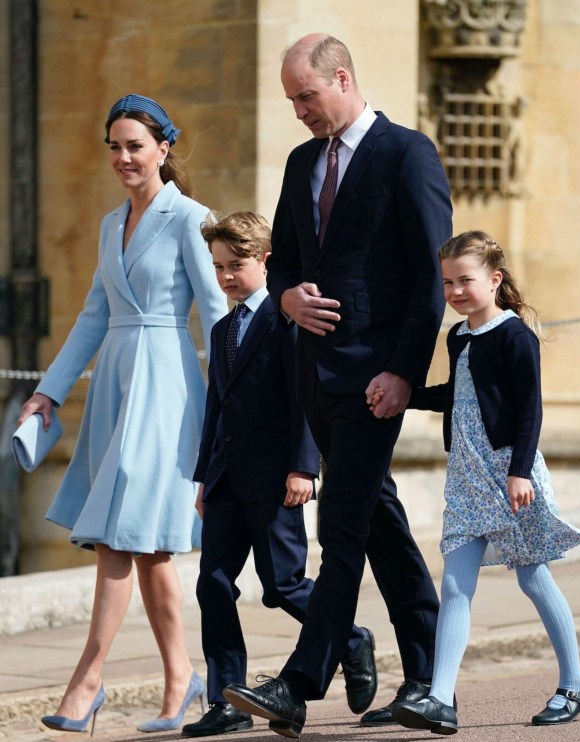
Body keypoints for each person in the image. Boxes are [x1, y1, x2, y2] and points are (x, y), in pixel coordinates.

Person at [222, 34, 453, 738]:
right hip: (314, 380)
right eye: (290, 99)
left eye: (306, 97)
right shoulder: (299, 164)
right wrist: (286, 298)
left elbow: (429, 277)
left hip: (376, 382)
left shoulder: (406, 154)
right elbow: (285, 262)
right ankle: (428, 676)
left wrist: (403, 372)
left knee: (343, 524)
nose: (297, 111)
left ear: (343, 79)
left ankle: (298, 683)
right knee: (376, 518)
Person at [18, 94, 228, 735]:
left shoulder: (193, 218)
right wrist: (48, 394)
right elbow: (93, 316)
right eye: (114, 146)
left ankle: (85, 683)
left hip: (166, 387)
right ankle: (180, 678)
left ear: (164, 148)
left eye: (135, 145)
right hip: (114, 383)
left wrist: (233, 403)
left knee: (118, 536)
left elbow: (217, 313)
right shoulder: (112, 225)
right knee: (149, 549)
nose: (123, 157)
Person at [181, 211, 378, 738]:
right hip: (224, 481)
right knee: (213, 586)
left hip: (275, 480)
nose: (225, 276)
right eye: (218, 266)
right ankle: (228, 700)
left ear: (266, 262)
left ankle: (351, 638)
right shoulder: (222, 329)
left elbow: (303, 401)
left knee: (284, 585)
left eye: (236, 265)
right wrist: (203, 478)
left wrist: (303, 467)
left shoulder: (288, 323)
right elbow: (215, 410)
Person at [389, 231, 580, 734]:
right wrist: (404, 394)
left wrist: (519, 471)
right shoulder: (458, 336)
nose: (456, 291)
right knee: (456, 584)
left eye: (466, 280)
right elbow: (460, 396)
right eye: (448, 283)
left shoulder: (514, 335)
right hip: (466, 474)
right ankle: (439, 699)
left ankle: (575, 684)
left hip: (507, 473)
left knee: (532, 578)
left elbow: (529, 409)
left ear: (494, 280)